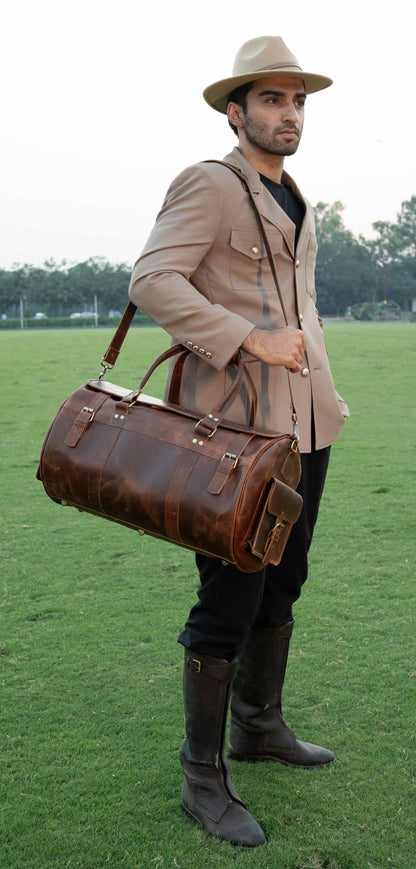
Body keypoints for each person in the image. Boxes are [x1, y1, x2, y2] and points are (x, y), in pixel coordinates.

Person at [128, 35, 349, 848]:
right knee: (230, 598)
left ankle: (259, 725)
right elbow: (152, 278)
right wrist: (247, 340)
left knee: (284, 580)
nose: (289, 114)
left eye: (298, 102)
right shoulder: (211, 185)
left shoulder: (296, 195)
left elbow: (301, 307)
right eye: (272, 100)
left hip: (306, 426)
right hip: (234, 433)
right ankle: (201, 775)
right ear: (237, 110)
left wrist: (325, 391)